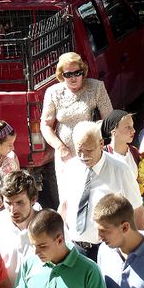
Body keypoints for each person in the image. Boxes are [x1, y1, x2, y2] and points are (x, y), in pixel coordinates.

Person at [60, 121, 144, 261]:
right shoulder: (70, 168)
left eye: (89, 150)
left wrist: (141, 252)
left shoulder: (120, 170)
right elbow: (64, 206)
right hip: (74, 250)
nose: (83, 156)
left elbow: (138, 211)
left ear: (101, 143)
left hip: (108, 251)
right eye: (79, 150)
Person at [8, 208, 109, 288]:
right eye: (33, 245)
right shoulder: (29, 264)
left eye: (42, 246)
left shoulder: (89, 270)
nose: (36, 252)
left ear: (60, 240)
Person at [41, 52, 113, 203]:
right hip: (66, 154)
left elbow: (110, 120)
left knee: (94, 196)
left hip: (91, 152)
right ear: (61, 75)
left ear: (83, 72)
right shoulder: (53, 92)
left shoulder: (96, 87)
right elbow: (45, 125)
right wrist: (60, 147)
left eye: (77, 73)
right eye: (68, 74)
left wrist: (93, 134)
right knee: (68, 198)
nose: (73, 77)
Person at [0, 170, 39, 286]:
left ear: (33, 199)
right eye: (8, 203)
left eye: (20, 202)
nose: (13, 210)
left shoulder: (49, 224)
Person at [101, 109, 139, 178]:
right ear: (114, 132)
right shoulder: (103, 156)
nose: (133, 130)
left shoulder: (134, 152)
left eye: (132, 126)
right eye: (127, 127)